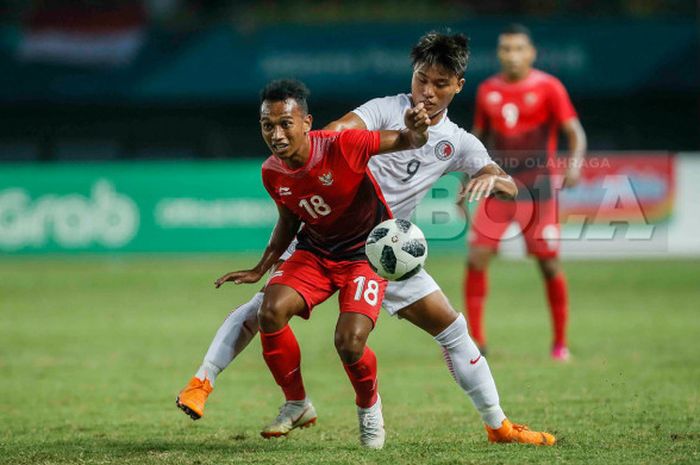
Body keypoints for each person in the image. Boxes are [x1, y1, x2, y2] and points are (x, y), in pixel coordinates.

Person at [177, 32, 556, 446]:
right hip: (326, 236)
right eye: (421, 79)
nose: (427, 92)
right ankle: (205, 380)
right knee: (263, 308)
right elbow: (337, 132)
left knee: (451, 330)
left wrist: (488, 179)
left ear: (458, 86)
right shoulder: (384, 110)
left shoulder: (459, 143)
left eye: (440, 84)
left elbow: (504, 182)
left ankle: (498, 426)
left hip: (384, 251)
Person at [210, 78, 431, 449]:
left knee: (349, 342)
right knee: (270, 311)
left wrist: (417, 130)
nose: (277, 134)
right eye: (268, 125)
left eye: (285, 123)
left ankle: (369, 409)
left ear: (307, 123)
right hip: (316, 253)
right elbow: (288, 220)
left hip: (365, 255)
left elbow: (408, 141)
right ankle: (296, 403)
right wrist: (261, 267)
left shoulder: (344, 145)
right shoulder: (272, 171)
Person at [462, 24, 587, 361]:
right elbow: (478, 136)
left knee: (548, 264)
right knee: (476, 258)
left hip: (539, 191)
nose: (512, 55)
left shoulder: (549, 87)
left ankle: (560, 343)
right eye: (506, 49)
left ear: (531, 53)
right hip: (498, 188)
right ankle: (476, 342)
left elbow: (574, 132)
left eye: (519, 49)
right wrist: (466, 176)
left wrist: (574, 164)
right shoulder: (487, 90)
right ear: (499, 53)